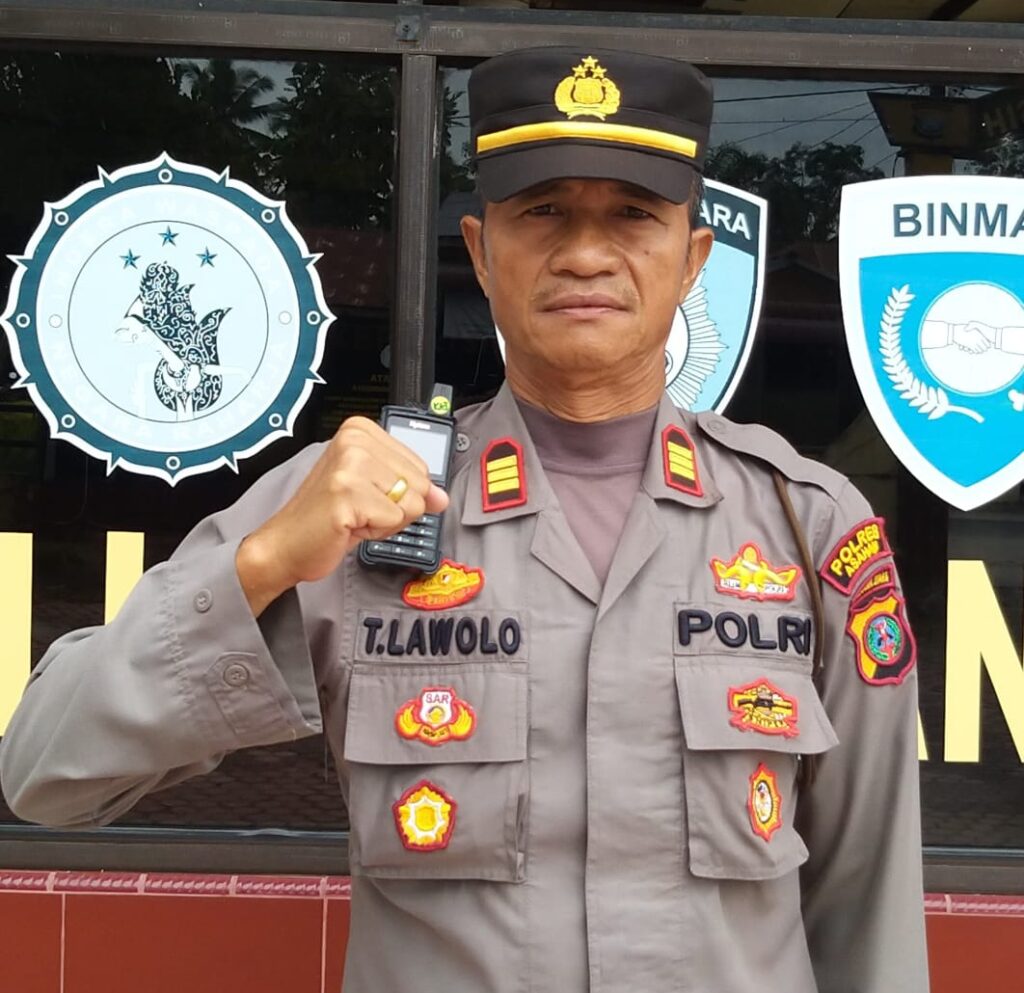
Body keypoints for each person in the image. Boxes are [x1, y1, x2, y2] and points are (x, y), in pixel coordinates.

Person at [0, 46, 928, 993]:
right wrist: (262, 561)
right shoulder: (360, 503)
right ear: (482, 252)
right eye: (543, 211)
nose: (585, 253)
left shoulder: (805, 525)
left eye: (633, 214)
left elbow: (869, 910)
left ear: (692, 260)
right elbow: (46, 772)